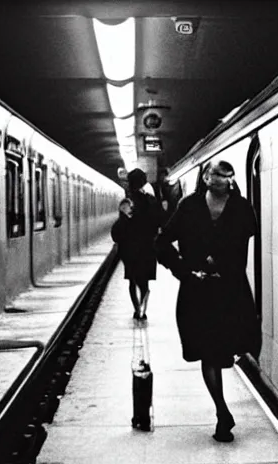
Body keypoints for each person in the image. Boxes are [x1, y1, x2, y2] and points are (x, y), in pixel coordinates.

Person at [155, 159, 260, 442]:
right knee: (209, 352)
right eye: (218, 174)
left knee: (236, 345)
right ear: (206, 176)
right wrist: (184, 271)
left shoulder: (241, 208)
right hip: (197, 292)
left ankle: (224, 412)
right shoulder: (188, 207)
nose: (223, 179)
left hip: (231, 290)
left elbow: (243, 246)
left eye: (229, 175)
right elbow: (161, 243)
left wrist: (221, 263)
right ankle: (222, 413)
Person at [111, 168, 161, 320]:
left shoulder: (127, 203)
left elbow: (120, 227)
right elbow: (159, 221)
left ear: (129, 183)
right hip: (147, 247)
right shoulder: (151, 201)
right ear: (144, 182)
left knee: (133, 280)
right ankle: (143, 310)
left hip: (129, 248)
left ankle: (136, 309)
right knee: (144, 281)